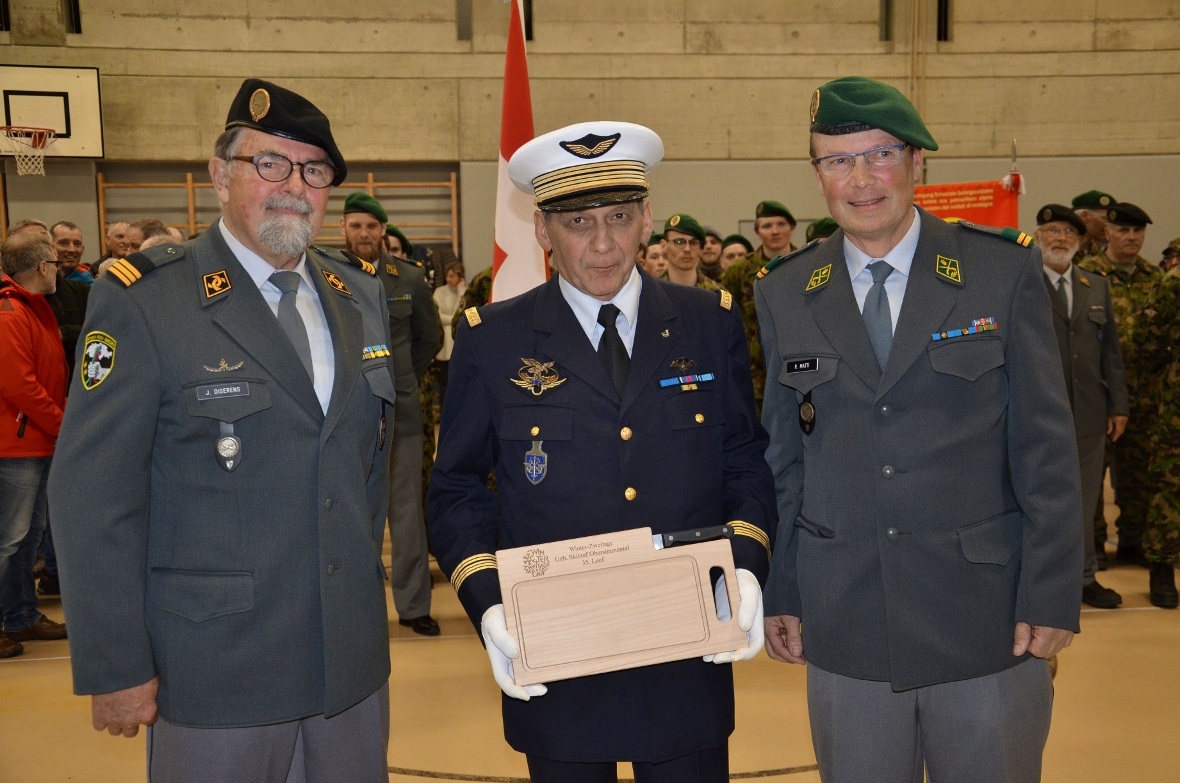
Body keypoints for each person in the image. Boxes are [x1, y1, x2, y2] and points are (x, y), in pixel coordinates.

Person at [48, 78, 395, 782]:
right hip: (215, 668)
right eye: (269, 163)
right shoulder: (147, 299)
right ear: (219, 173)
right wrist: (116, 661)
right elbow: (93, 493)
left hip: (349, 668)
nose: (293, 186)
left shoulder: (358, 295)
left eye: (314, 170)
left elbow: (365, 470)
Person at [428, 120, 775, 783]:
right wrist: (489, 601)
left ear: (646, 216)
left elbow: (743, 460)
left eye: (619, 216)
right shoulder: (493, 340)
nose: (604, 243)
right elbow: (459, 488)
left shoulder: (708, 323)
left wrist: (747, 566)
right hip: (557, 654)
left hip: (687, 648)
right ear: (541, 229)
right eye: (578, 222)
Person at [756, 76, 1082, 783]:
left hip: (985, 618)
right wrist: (781, 588)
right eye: (837, 160)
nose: (860, 179)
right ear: (817, 174)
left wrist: (1052, 590)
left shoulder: (999, 270)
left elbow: (1046, 447)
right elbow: (784, 459)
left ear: (917, 161)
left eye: (880, 154)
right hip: (846, 618)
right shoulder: (784, 290)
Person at [340, 191, 442, 636]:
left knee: (405, 512)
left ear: (383, 231)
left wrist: (399, 376)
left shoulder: (409, 279)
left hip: (400, 413)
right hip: (346, 415)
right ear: (343, 229)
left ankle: (414, 604)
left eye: (371, 226)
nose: (364, 234)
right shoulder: (327, 275)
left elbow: (430, 338)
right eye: (356, 226)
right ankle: (356, 608)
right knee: (352, 513)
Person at [1035, 204, 1128, 609]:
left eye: (1069, 233)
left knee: (1087, 500)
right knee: (1040, 500)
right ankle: (1042, 581)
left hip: (1090, 413)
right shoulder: (1023, 283)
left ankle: (1084, 578)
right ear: (1038, 237)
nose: (1061, 238)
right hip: (1038, 414)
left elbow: (1112, 354)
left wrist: (1118, 406)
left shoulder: (1096, 285)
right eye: (1053, 231)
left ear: (1080, 241)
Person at [1078, 202, 1162, 566]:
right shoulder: (1086, 275)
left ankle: (1132, 542)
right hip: (1099, 391)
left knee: (1140, 473)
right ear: (1108, 232)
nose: (1132, 237)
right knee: (1093, 474)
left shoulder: (1155, 276)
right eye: (1124, 230)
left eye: (1137, 231)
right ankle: (1094, 544)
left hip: (1146, 392)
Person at [0, 232, 69, 660]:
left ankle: (21, 615)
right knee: (7, 540)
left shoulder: (33, 307)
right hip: (16, 444)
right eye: (55, 263)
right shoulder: (10, 313)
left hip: (37, 440)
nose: (59, 270)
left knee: (27, 539)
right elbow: (18, 386)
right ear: (42, 266)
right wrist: (63, 424)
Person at [1137, 259, 1180, 607]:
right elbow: (1147, 341)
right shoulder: (1173, 283)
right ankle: (1162, 566)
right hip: (1177, 401)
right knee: (1172, 483)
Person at [432, 261, 466, 414]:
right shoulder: (439, 292)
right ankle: (444, 412)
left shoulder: (464, 292)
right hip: (443, 343)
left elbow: (464, 312)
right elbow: (437, 315)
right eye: (447, 276)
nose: (448, 279)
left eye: (452, 276)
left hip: (458, 341)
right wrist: (454, 319)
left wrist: (461, 293)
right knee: (444, 381)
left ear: (460, 277)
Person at [661, 213, 720, 291]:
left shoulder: (715, 293)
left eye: (693, 243)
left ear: (700, 248)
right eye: (679, 242)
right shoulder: (651, 291)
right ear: (664, 246)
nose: (687, 249)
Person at [1071, 190, 1117, 258]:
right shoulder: (1062, 249)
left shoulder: (1100, 253)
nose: (1109, 225)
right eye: (1104, 218)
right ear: (1084, 216)